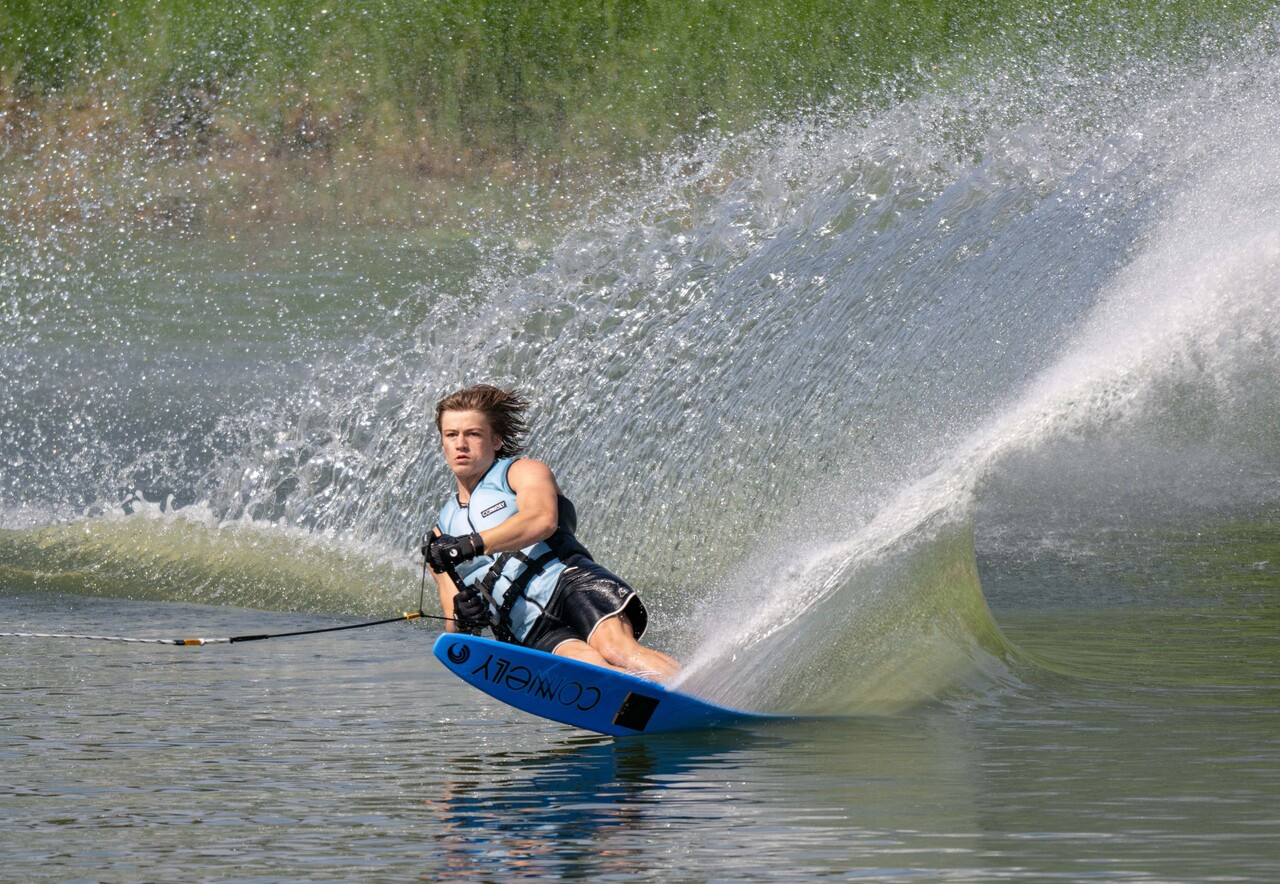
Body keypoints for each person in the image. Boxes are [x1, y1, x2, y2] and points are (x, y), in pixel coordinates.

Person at [422, 384, 680, 680]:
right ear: (442, 443)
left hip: (567, 583)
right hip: (526, 627)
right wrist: (463, 618)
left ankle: (703, 692)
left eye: (473, 434)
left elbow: (541, 519)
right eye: (451, 435)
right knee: (589, 668)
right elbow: (454, 627)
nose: (461, 444)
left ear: (495, 440)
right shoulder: (440, 537)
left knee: (616, 649)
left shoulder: (521, 472)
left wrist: (470, 545)